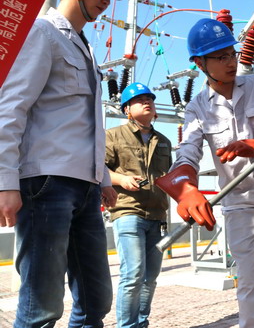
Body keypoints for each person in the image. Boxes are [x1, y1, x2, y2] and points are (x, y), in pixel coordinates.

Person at [155, 18, 254, 328]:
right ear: (200, 63)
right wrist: (185, 187)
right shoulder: (198, 108)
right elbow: (188, 151)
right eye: (220, 57)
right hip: (240, 204)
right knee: (249, 283)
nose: (231, 62)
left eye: (231, 53)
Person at [0, 0, 123, 327]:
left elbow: (85, 122)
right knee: (42, 306)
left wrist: (101, 177)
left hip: (84, 188)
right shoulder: (43, 33)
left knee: (96, 298)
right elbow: (11, 107)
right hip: (46, 184)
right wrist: (5, 181)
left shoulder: (85, 48)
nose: (106, 0)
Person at [105, 82, 173, 328]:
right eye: (140, 100)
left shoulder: (163, 141)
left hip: (157, 215)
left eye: (150, 99)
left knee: (150, 278)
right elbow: (98, 169)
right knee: (133, 275)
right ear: (126, 109)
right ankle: (127, 326)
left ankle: (141, 323)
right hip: (127, 211)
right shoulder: (113, 136)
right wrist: (121, 179)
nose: (147, 103)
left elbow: (169, 177)